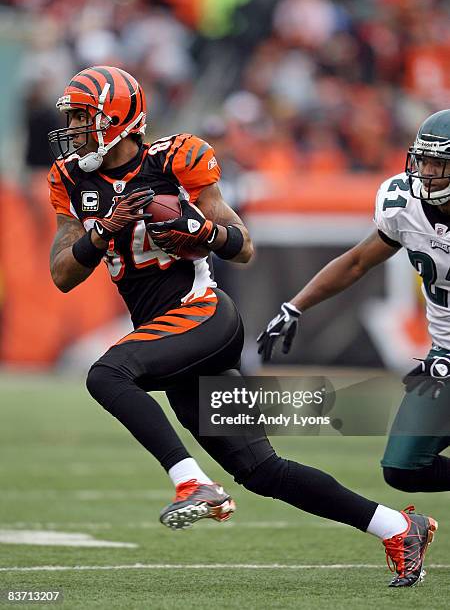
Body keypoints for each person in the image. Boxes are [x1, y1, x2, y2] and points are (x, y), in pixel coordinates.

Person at [48, 66, 436, 587]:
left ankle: (190, 484)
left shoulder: (175, 158)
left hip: (204, 315)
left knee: (106, 374)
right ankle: (398, 527)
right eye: (71, 118)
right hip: (167, 338)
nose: (73, 129)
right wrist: (99, 237)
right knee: (261, 471)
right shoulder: (72, 179)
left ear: (119, 119)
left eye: (82, 117)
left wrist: (199, 229)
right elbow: (62, 274)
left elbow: (244, 246)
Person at [257, 108, 450, 495]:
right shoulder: (404, 206)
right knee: (404, 468)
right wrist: (295, 306)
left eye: (439, 163)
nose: (427, 172)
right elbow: (358, 261)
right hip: (444, 354)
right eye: (424, 160)